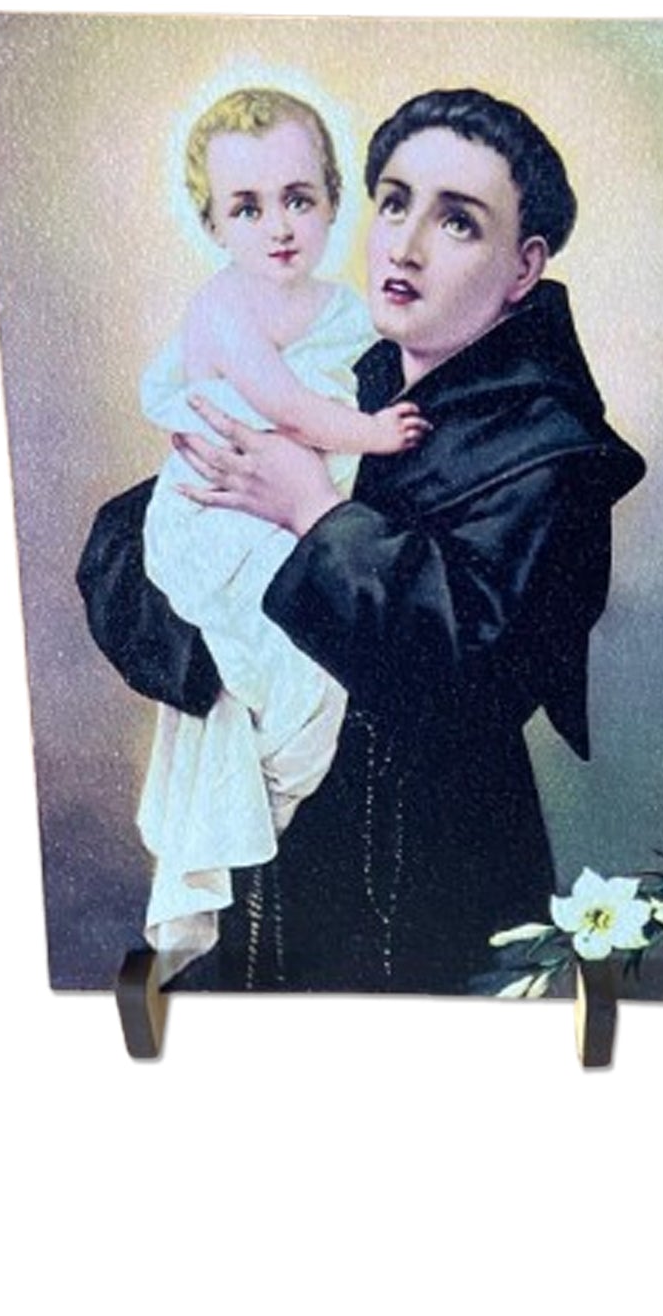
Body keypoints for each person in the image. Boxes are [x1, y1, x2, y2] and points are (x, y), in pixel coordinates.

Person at [81, 88, 644, 994]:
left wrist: (312, 512)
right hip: (282, 878)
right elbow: (130, 542)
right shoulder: (345, 376)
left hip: (430, 882)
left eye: (457, 222)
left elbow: (472, 671)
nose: (405, 246)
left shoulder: (553, 450)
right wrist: (220, 631)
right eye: (395, 202)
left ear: (524, 266)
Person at [134, 89, 426, 978]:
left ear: (334, 201)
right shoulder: (225, 307)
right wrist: (374, 434)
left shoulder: (342, 309)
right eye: (248, 208)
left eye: (298, 198)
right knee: (286, 654)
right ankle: (244, 817)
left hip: (287, 510)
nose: (279, 226)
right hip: (214, 517)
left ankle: (265, 809)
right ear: (213, 224)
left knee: (321, 658)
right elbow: (287, 406)